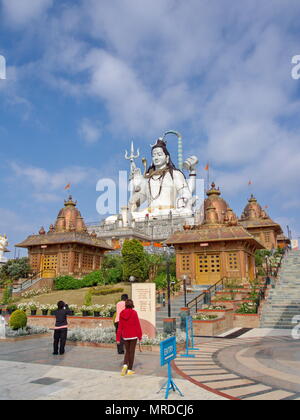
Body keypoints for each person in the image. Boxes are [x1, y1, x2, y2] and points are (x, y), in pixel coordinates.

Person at [116, 299, 142, 376]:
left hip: (125, 336)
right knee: (132, 352)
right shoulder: (134, 313)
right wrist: (140, 336)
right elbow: (137, 325)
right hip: (133, 335)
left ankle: (124, 365)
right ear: (132, 305)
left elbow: (120, 327)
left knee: (127, 351)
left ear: (126, 305)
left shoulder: (121, 313)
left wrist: (118, 338)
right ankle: (129, 369)